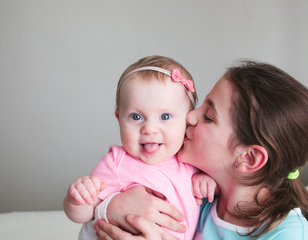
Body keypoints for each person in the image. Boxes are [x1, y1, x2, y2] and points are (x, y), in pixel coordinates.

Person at [93, 60, 308, 239]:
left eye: (208, 117)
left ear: (248, 158)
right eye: (202, 105)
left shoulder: (288, 233)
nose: (190, 116)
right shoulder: (197, 196)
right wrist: (110, 206)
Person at [63, 55, 217, 240]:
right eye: (136, 117)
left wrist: (206, 182)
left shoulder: (189, 159)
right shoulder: (117, 163)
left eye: (165, 117)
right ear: (119, 118)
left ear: (187, 119)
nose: (149, 129)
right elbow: (82, 214)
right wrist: (77, 198)